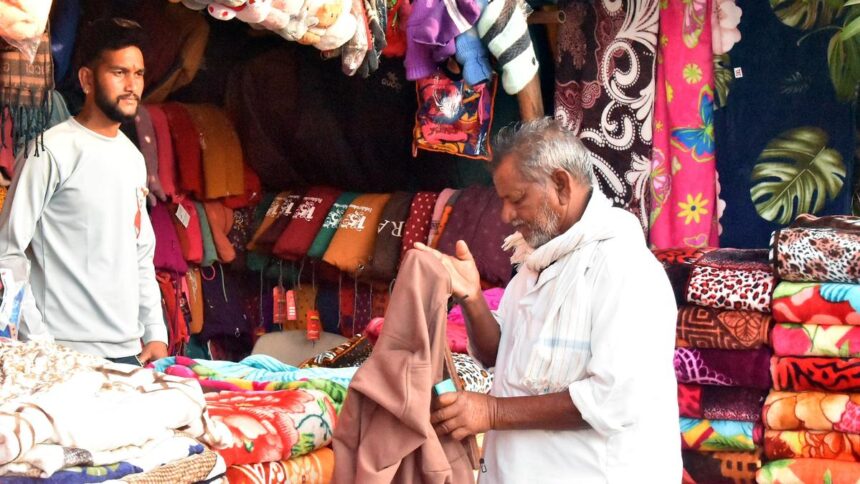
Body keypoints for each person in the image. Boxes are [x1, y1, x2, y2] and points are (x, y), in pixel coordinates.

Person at [416, 117, 681, 482]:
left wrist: (492, 412)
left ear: (560, 184)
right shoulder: (536, 265)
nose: (506, 215)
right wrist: (472, 298)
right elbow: (499, 356)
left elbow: (613, 399)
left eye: (516, 199)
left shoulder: (624, 268)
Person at [0, 18, 167, 366]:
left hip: (127, 350)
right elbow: (7, 252)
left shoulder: (133, 159)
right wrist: (37, 340)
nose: (132, 85)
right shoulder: (48, 151)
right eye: (119, 72)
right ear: (87, 79)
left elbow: (140, 253)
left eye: (138, 74)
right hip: (63, 352)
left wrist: (155, 330)